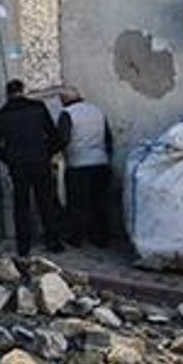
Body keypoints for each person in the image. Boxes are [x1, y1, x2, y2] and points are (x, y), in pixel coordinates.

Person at [0, 79, 63, 257]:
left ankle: (24, 246)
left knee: (21, 204)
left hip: (18, 165)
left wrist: (9, 159)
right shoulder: (38, 108)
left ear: (8, 93)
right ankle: (53, 241)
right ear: (23, 90)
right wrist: (47, 153)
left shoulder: (0, 115)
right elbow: (54, 135)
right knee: (46, 201)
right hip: (40, 161)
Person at [57, 87, 113, 246]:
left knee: (77, 204)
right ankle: (102, 238)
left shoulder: (67, 114)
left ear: (64, 100)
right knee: (100, 203)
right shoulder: (97, 110)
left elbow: (63, 139)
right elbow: (108, 137)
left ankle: (77, 237)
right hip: (101, 162)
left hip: (78, 165)